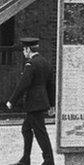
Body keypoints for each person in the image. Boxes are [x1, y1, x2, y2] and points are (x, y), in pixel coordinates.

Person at [5, 37, 55, 165]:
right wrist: (52, 104)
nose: (23, 52)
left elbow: (23, 84)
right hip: (41, 102)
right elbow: (51, 85)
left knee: (40, 132)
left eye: (24, 49)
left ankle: (49, 160)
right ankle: (25, 159)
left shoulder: (30, 64)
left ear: (28, 49)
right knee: (26, 129)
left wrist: (12, 101)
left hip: (34, 103)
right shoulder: (46, 63)